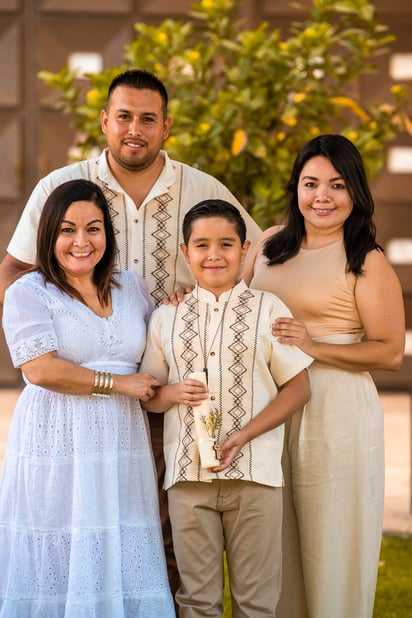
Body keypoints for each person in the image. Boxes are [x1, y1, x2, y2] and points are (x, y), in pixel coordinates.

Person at [0, 69, 262, 597]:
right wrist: (49, 326)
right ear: (105, 121)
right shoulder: (59, 186)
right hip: (76, 401)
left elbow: (252, 256)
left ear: (167, 126)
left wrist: (208, 304)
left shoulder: (203, 188)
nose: (134, 129)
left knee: (161, 526)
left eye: (147, 119)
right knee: (71, 526)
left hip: (173, 390)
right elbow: (14, 272)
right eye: (124, 117)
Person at [241, 134, 405, 618]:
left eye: (336, 185)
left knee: (332, 542)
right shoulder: (268, 243)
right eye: (311, 184)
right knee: (276, 544)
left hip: (336, 415)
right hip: (271, 409)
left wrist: (314, 346)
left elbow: (391, 351)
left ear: (354, 191)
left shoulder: (366, 261)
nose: (322, 197)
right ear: (296, 188)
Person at [0, 179, 175, 616]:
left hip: (120, 440)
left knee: (120, 536)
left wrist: (179, 309)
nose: (82, 241)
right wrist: (117, 384)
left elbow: (155, 345)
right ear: (48, 236)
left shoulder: (131, 287)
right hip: (58, 436)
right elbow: (40, 369)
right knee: (62, 535)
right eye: (67, 230)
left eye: (93, 228)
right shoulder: (28, 292)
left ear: (107, 234)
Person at [139, 199, 313, 617]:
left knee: (256, 602)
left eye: (226, 244)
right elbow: (153, 395)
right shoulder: (166, 318)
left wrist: (245, 436)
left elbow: (298, 389)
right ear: (185, 252)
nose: (214, 255)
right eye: (201, 245)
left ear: (244, 248)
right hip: (187, 477)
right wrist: (174, 393)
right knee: (197, 600)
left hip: (255, 475)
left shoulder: (268, 309)